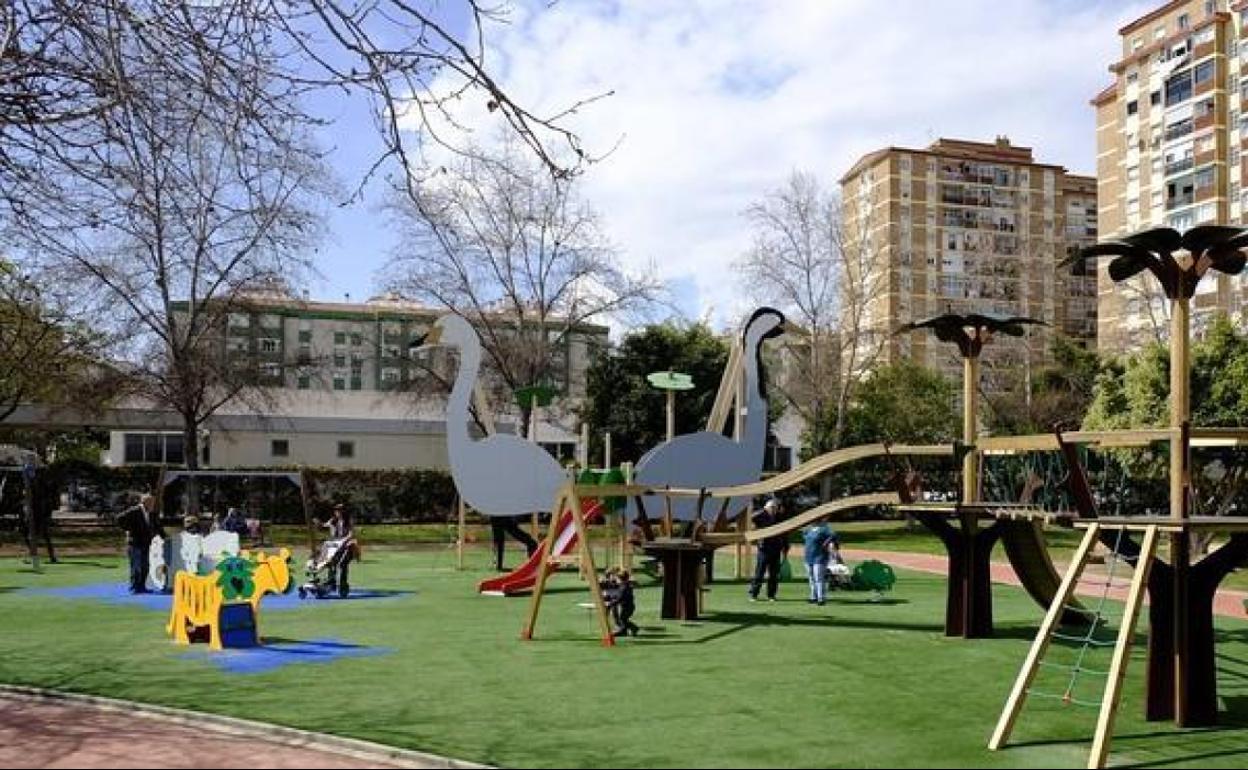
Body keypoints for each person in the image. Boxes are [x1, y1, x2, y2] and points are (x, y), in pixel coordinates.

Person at [115, 494, 166, 593]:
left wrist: (164, 537)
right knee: (136, 566)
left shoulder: (151, 513)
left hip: (146, 543)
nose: (153, 504)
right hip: (135, 544)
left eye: (153, 502)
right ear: (145, 502)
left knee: (145, 566)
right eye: (151, 502)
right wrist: (129, 529)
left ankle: (142, 586)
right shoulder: (134, 511)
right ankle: (134, 587)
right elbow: (119, 519)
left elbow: (157, 526)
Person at [748, 498, 789, 602]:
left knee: (773, 575)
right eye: (772, 507)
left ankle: (771, 595)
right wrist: (763, 510)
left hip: (776, 549)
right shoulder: (761, 515)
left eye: (775, 507)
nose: (774, 509)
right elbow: (750, 518)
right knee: (759, 573)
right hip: (764, 549)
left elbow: (784, 533)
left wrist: (785, 546)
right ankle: (753, 594)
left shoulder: (779, 517)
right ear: (767, 508)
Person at [322, 503, 356, 596]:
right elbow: (325, 525)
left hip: (346, 547)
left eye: (340, 510)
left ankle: (343, 584)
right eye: (336, 510)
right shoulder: (334, 520)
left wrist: (344, 540)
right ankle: (331, 582)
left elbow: (351, 534)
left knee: (342, 565)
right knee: (330, 562)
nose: (338, 512)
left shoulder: (349, 520)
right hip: (335, 546)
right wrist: (319, 524)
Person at [803, 516, 836, 606]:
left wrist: (826, 543)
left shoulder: (823, 529)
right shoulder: (808, 530)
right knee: (811, 577)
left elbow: (833, 535)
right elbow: (804, 536)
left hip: (819, 557)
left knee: (819, 577)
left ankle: (821, 598)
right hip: (808, 556)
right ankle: (813, 596)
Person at [607, 569, 639, 637]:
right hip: (628, 606)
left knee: (622, 619)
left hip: (627, 607)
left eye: (617, 578)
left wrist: (611, 603)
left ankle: (634, 628)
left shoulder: (624, 587)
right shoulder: (625, 585)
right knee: (623, 619)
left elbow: (620, 598)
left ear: (620, 578)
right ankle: (623, 631)